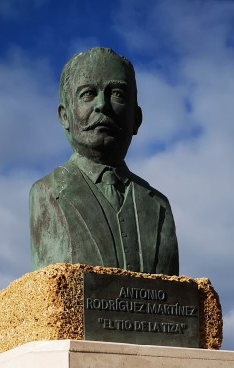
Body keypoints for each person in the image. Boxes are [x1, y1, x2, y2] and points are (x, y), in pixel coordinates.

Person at [29, 47, 179, 276]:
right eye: (88, 93)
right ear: (65, 115)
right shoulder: (48, 192)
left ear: (136, 119)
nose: (102, 105)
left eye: (117, 94)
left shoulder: (158, 205)